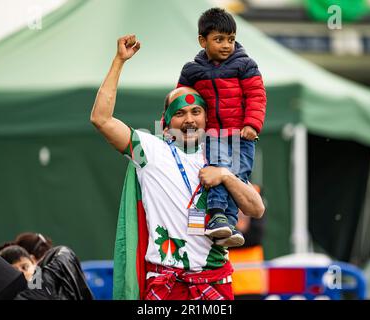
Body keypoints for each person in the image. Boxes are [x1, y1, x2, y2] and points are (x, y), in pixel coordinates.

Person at [91, 34, 265, 300]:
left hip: (214, 281)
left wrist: (225, 176)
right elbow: (101, 119)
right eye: (180, 113)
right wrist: (119, 61)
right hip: (166, 283)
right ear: (167, 121)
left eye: (196, 112)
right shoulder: (148, 150)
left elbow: (256, 208)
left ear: (207, 118)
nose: (189, 119)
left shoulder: (222, 154)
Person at [177, 8, 267, 247]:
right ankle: (217, 214)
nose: (226, 45)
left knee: (239, 176)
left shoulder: (245, 65)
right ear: (202, 40)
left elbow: (256, 96)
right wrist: (170, 127)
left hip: (242, 135)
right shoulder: (192, 71)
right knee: (219, 169)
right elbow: (180, 99)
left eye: (231, 39)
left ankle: (227, 222)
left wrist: (252, 124)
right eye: (219, 39)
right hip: (213, 134)